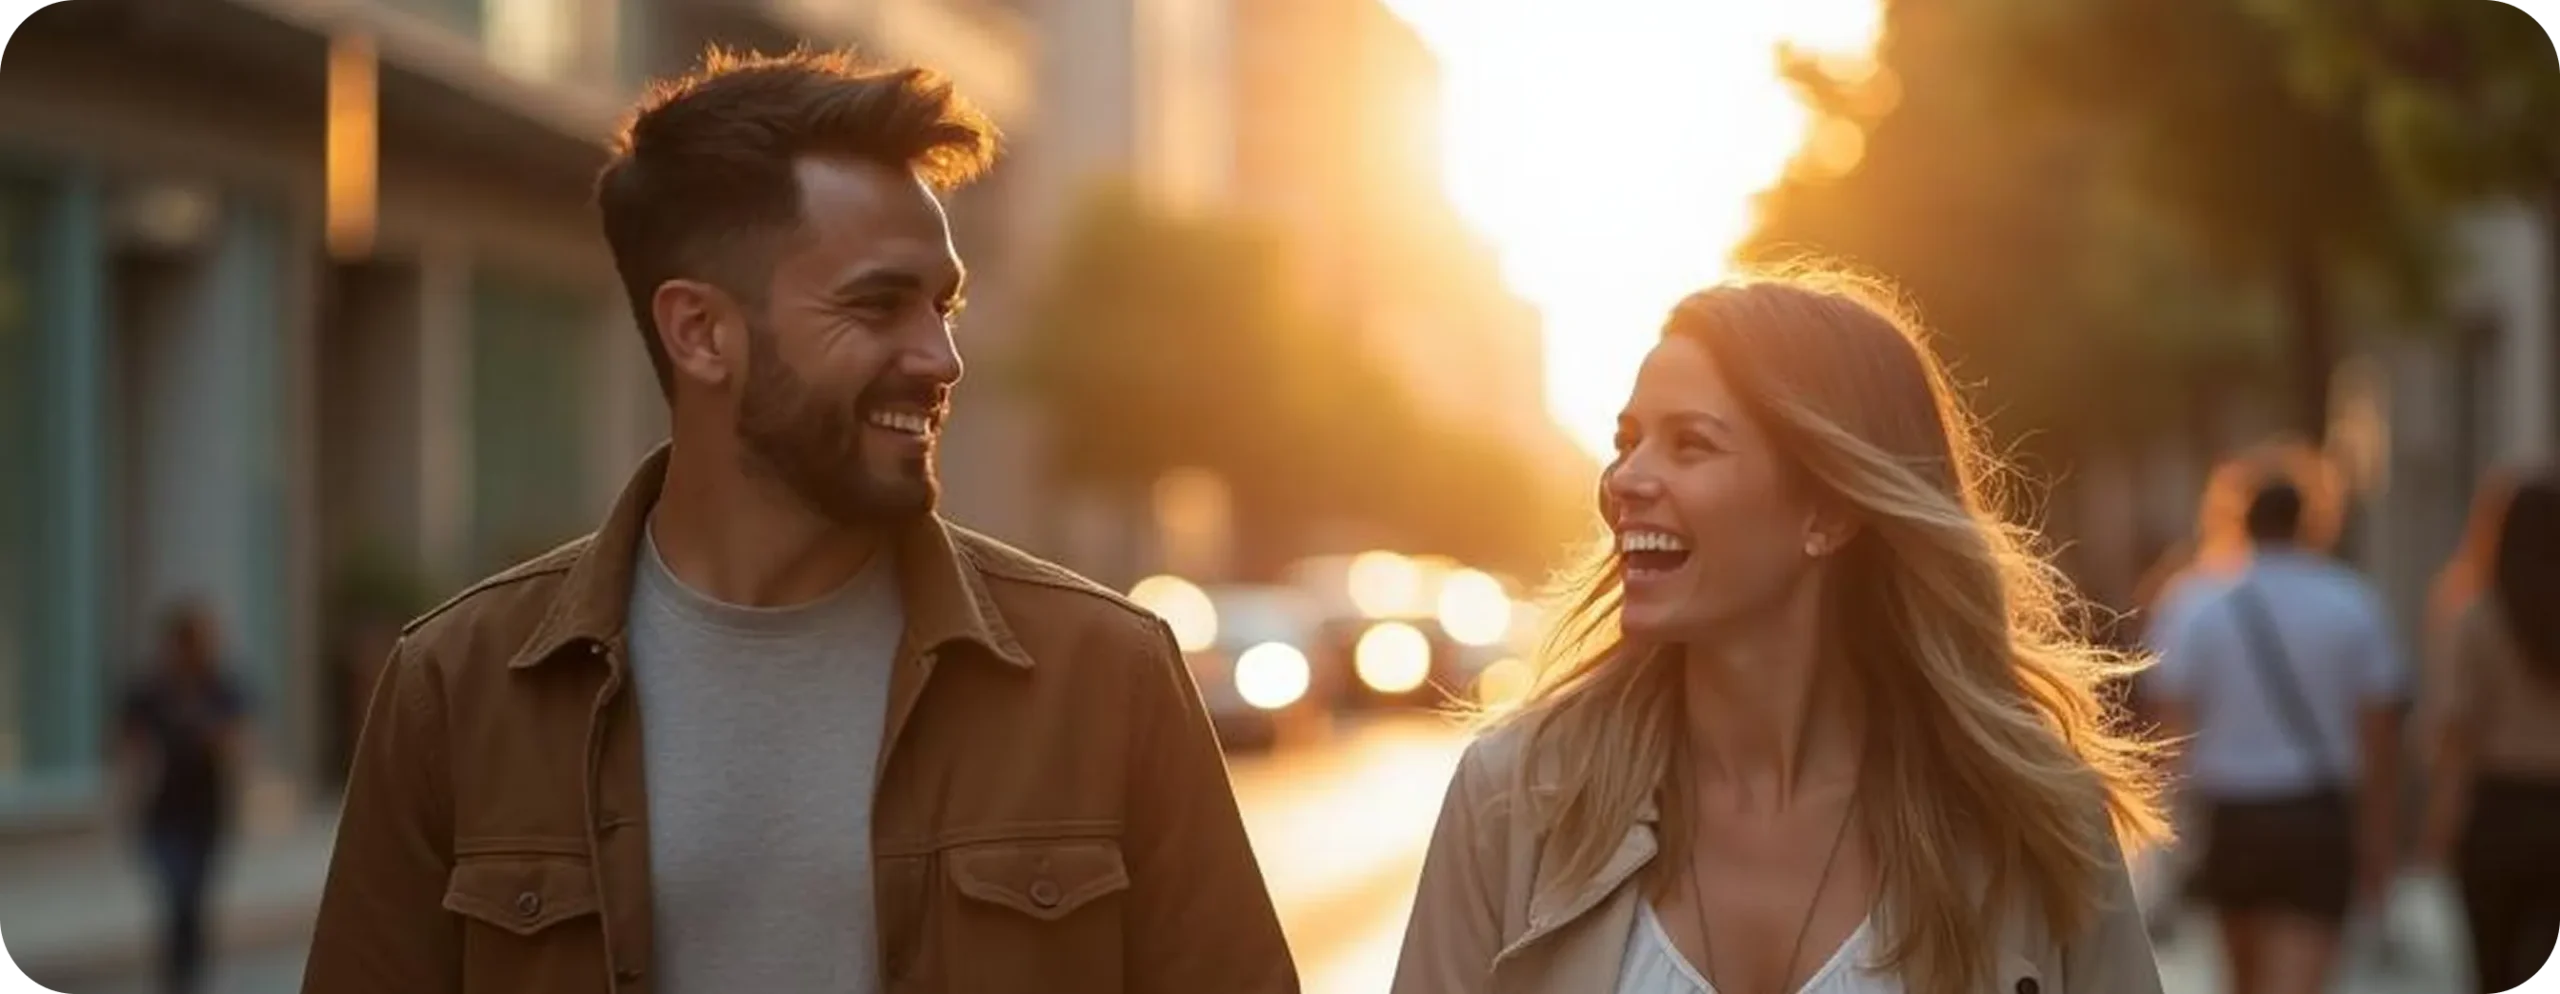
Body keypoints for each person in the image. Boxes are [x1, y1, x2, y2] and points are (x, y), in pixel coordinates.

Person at [301, 48, 1295, 994]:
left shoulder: (1105, 675)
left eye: (943, 306)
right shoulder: (458, 689)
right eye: (879, 306)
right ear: (700, 332)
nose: (940, 358)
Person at [1391, 271, 2169, 994]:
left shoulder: (2025, 815)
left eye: (1690, 443)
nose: (1625, 481)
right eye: (1628, 441)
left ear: (1827, 511)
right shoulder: (1516, 798)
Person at [2144, 472, 2406, 994]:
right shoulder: (2351, 601)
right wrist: (2378, 844)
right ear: (2311, 522)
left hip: (2232, 818)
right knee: (2300, 983)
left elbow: (2171, 728)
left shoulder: (2196, 601)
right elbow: (2378, 739)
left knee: (2243, 979)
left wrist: (2168, 841)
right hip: (2316, 815)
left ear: (2237, 518)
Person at [2416, 470, 2560, 994]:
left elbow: (2456, 733)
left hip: (2500, 814)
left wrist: (2441, 824)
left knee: (2493, 968)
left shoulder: (2477, 615)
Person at [116, 601, 251, 994]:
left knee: (194, 891)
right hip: (161, 811)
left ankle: (188, 969)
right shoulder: (150, 691)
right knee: (176, 887)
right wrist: (127, 797)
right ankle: (178, 970)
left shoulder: (222, 688)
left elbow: (240, 741)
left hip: (206, 812)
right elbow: (130, 746)